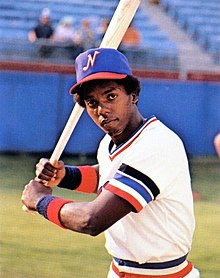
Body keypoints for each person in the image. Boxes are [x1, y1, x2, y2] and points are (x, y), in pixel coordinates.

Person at [22, 48, 200, 277]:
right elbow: (107, 175)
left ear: (133, 95)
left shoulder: (156, 143)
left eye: (111, 96)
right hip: (119, 269)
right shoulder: (108, 143)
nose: (102, 110)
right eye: (92, 102)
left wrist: (39, 201)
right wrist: (65, 176)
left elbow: (92, 220)